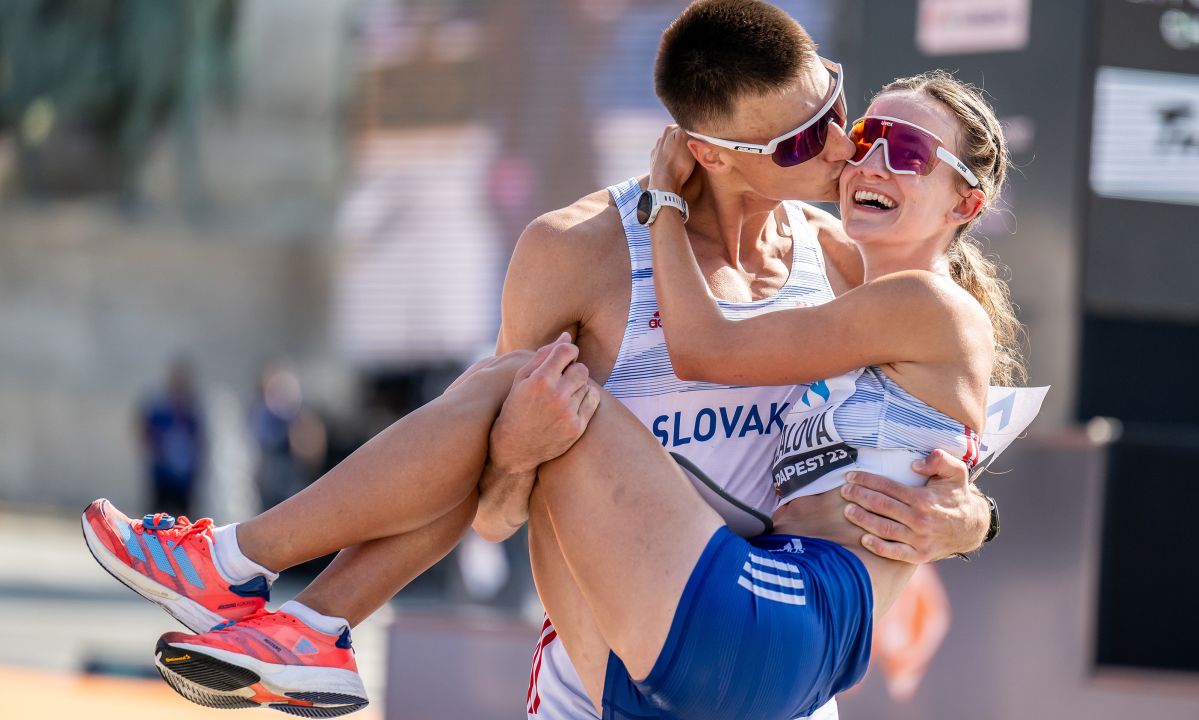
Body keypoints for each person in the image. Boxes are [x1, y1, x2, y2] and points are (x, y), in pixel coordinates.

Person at [83, 1, 997, 716]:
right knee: (529, 397)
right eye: (807, 141)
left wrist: (971, 520)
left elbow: (938, 423)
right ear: (712, 154)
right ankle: (295, 608)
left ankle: (276, 592)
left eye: (840, 112)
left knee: (526, 388)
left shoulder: (843, 264)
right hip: (607, 678)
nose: (843, 151)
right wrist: (518, 451)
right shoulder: (575, 253)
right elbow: (488, 515)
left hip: (768, 657)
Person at [138, 357, 204, 518]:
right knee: (156, 516)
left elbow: (198, 440)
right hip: (163, 472)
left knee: (183, 517)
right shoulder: (160, 408)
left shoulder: (191, 410)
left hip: (184, 475)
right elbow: (146, 431)